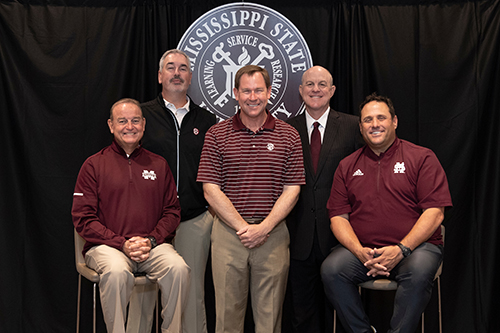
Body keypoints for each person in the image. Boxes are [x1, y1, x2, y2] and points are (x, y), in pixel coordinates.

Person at [321, 93, 452, 333]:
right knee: (332, 270)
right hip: (365, 252)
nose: (375, 124)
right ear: (360, 128)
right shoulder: (347, 165)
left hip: (415, 249)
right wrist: (359, 251)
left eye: (381, 117)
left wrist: (401, 249)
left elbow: (435, 213)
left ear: (394, 121)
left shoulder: (422, 157)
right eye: (368, 120)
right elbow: (338, 218)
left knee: (420, 272)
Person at [197, 65, 306, 333]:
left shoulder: (288, 135)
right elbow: (210, 189)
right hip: (227, 235)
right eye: (246, 91)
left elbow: (292, 189)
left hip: (273, 235)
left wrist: (264, 228)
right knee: (227, 317)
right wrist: (242, 228)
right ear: (235, 93)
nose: (252, 97)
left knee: (270, 320)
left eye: (259, 90)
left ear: (269, 92)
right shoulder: (216, 134)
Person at [72, 98, 190, 333]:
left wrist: (152, 240)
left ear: (144, 124)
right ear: (111, 125)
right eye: (122, 121)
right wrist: (121, 243)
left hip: (151, 247)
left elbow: (172, 212)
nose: (130, 126)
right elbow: (83, 219)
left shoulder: (159, 164)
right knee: (116, 273)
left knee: (179, 268)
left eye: (135, 121)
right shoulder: (94, 165)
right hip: (107, 248)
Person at [126, 49, 216, 333]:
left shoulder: (206, 120)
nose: (177, 73)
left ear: (190, 77)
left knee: (191, 294)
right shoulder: (142, 116)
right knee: (142, 295)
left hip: (193, 220)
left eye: (183, 68)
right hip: (148, 222)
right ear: (160, 76)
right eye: (171, 67)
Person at [286, 66, 363, 333]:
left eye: (321, 84)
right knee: (302, 312)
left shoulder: (353, 126)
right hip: (299, 235)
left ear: (332, 91)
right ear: (300, 90)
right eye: (309, 84)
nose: (315, 89)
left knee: (342, 312)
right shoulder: (287, 129)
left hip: (339, 236)